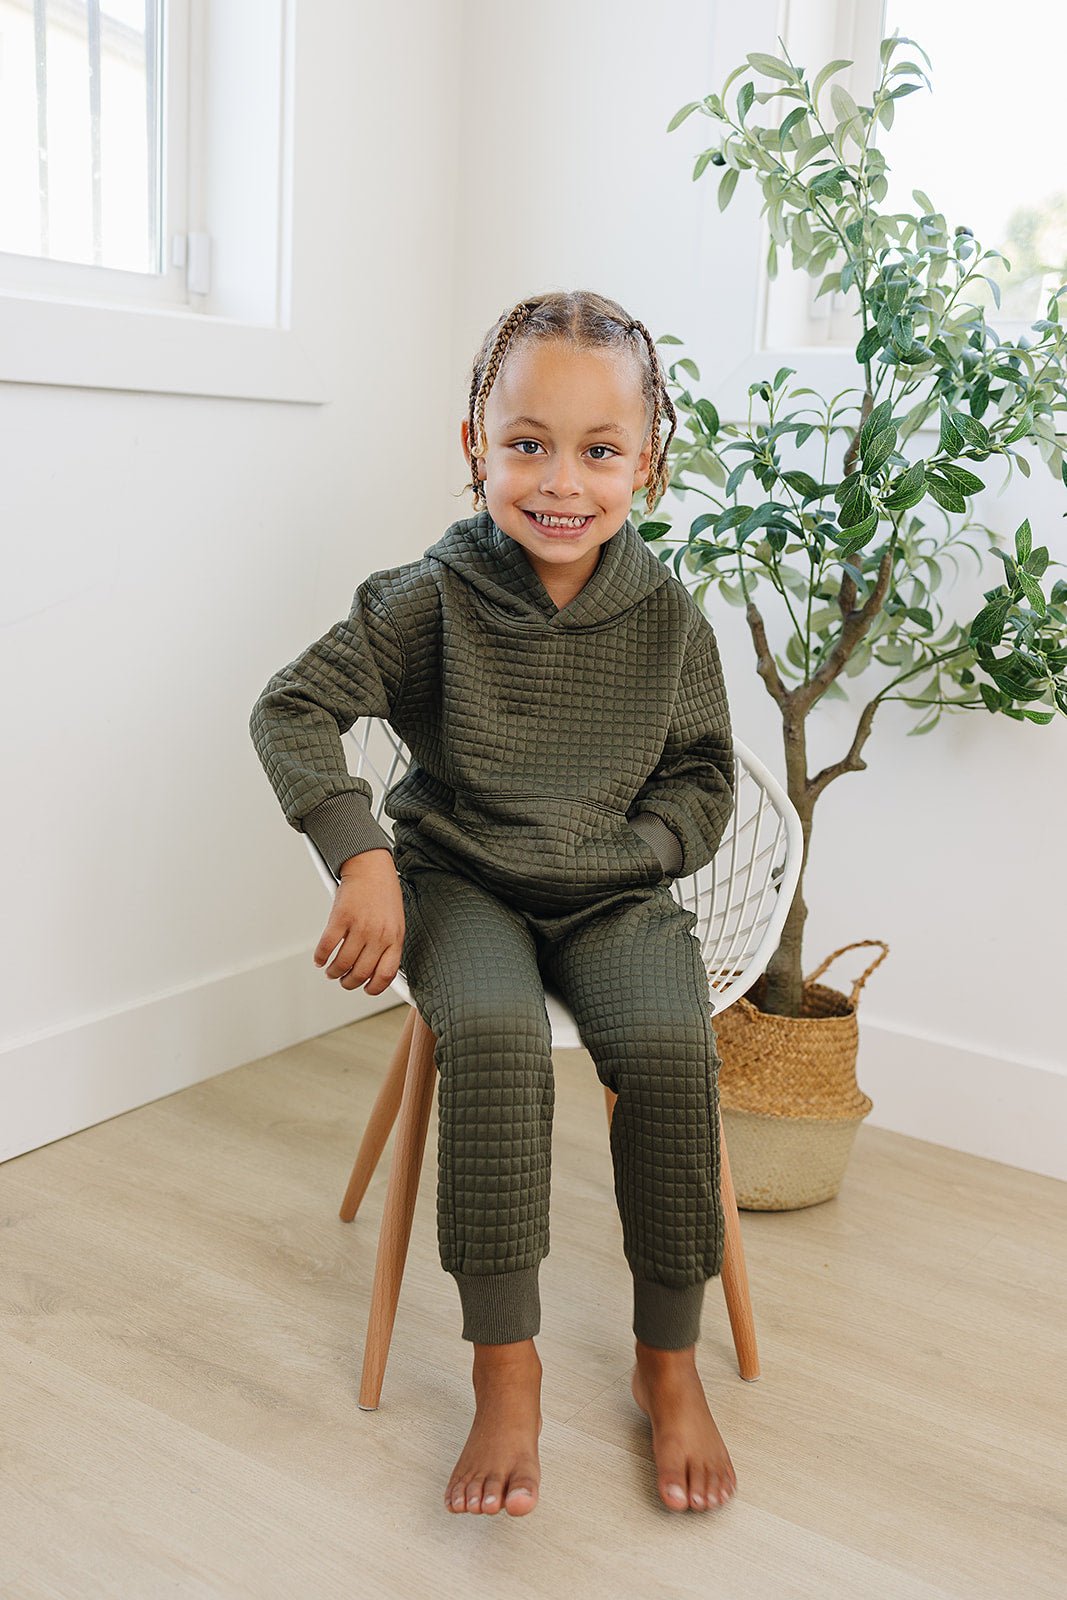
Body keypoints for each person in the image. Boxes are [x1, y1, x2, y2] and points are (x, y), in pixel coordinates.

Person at [249, 289, 737, 1518]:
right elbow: (291, 707)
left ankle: (667, 1359)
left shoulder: (667, 618)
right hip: (460, 884)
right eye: (527, 443)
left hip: (612, 895)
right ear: (474, 446)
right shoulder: (430, 596)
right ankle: (503, 1367)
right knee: (493, 1036)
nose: (560, 481)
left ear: (647, 463)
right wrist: (360, 855)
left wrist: (640, 847)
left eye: (598, 450)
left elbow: (702, 775)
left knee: (671, 1046)